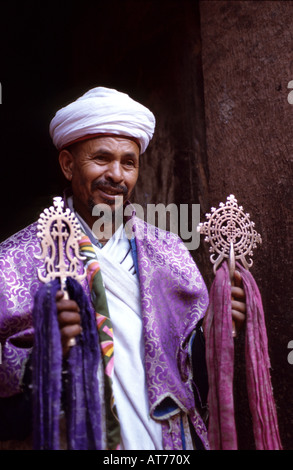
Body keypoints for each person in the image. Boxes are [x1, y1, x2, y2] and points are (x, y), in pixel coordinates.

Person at [0, 87, 246, 450]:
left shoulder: (169, 251)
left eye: (128, 162)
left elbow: (190, 372)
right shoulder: (14, 260)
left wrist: (218, 330)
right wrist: (50, 353)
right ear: (68, 164)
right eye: (101, 159)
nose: (116, 174)